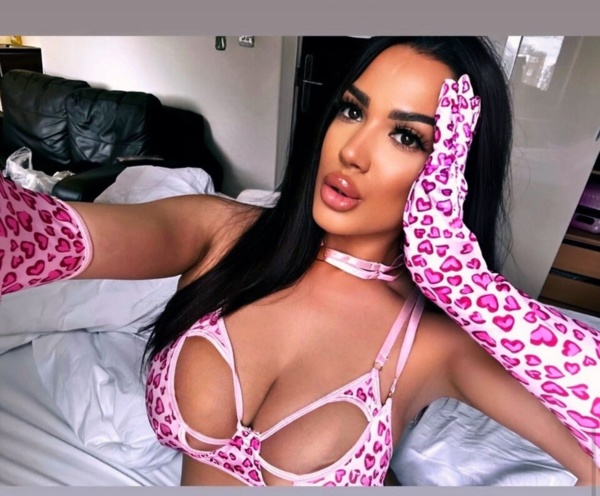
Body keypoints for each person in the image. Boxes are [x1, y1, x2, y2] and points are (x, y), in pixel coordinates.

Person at [1, 36, 599, 486]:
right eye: (353, 110)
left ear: (454, 173)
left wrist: (463, 281)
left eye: (407, 136)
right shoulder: (218, 232)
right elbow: (38, 234)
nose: (352, 151)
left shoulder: (433, 345)